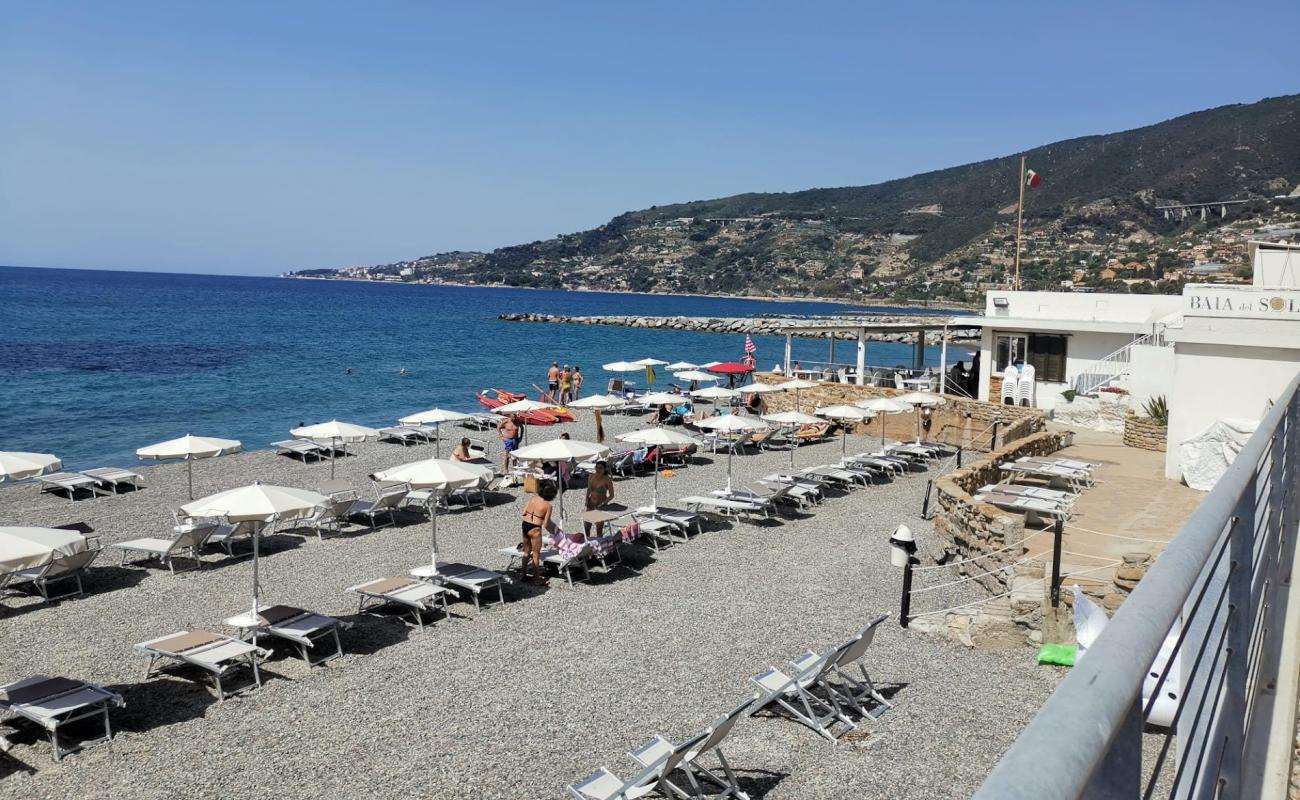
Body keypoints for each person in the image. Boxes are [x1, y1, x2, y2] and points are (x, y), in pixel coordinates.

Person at [519, 483, 556, 585]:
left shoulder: (533, 498)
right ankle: (537, 579)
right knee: (536, 554)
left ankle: (523, 575)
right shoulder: (548, 506)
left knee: (526, 552)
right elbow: (546, 524)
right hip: (535, 529)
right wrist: (554, 532)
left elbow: (523, 512)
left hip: (525, 525)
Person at [583, 461, 614, 538]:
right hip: (590, 504)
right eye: (596, 467)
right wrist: (586, 499)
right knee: (587, 526)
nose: (598, 469)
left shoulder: (607, 479)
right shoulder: (591, 476)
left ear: (604, 469)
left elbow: (612, 495)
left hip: (601, 505)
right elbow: (589, 489)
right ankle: (587, 543)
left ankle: (600, 545)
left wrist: (604, 503)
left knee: (599, 528)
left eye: (600, 468)